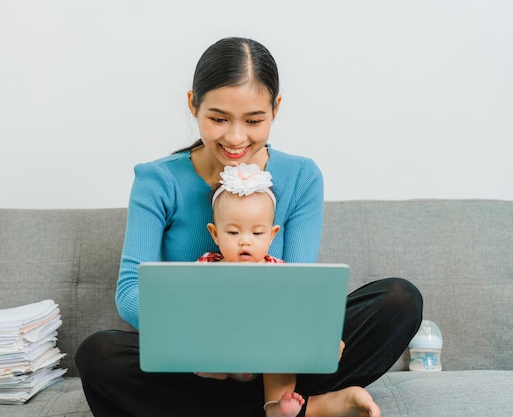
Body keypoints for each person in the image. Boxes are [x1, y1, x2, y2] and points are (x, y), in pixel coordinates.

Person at [75, 36, 423, 417]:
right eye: (218, 118)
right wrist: (214, 339)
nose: (236, 138)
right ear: (193, 104)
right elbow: (129, 294)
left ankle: (258, 406)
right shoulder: (157, 181)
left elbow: (299, 288)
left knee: (398, 300)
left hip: (277, 357)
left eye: (254, 120)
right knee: (98, 355)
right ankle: (303, 410)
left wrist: (314, 332)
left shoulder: (302, 176)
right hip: (195, 359)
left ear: (276, 108)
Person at [197, 162, 307, 417]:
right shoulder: (205, 266)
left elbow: (298, 309)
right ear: (215, 234)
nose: (245, 240)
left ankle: (276, 406)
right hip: (219, 348)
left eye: (257, 233)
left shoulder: (279, 270)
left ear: (272, 234)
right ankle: (216, 381)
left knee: (283, 355)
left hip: (266, 350)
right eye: (233, 232)